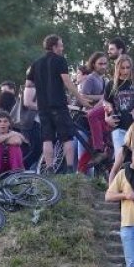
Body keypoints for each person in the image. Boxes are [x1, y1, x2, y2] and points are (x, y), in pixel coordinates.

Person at [26, 35, 83, 172]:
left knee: (47, 139)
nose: (62, 48)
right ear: (54, 47)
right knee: (67, 137)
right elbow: (67, 82)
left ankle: (49, 168)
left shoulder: (36, 64)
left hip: (43, 107)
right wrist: (81, 99)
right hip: (59, 105)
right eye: (61, 45)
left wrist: (32, 101)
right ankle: (70, 169)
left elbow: (28, 85)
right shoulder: (60, 60)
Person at [103, 54, 134, 156]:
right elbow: (106, 102)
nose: (125, 71)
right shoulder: (111, 84)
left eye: (128, 67)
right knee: (119, 157)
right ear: (117, 68)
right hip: (119, 127)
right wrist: (107, 117)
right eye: (122, 68)